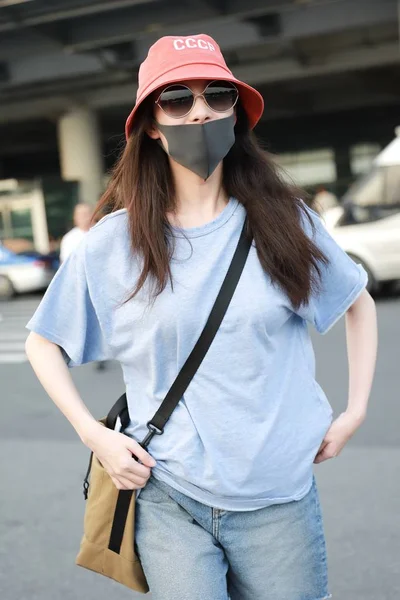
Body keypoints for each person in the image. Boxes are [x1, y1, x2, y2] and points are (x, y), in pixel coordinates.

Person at [25, 34, 378, 600]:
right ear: (151, 126)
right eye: (177, 100)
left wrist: (356, 410)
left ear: (237, 115)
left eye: (217, 96)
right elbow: (44, 342)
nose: (201, 112)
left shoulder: (285, 221)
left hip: (277, 498)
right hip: (168, 493)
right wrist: (95, 436)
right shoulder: (113, 243)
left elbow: (356, 301)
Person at [59, 202, 107, 371]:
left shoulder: (103, 231)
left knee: (100, 320)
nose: (84, 217)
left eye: (87, 213)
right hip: (79, 286)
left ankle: (101, 352)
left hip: (102, 285)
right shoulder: (70, 239)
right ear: (75, 217)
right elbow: (65, 265)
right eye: (80, 214)